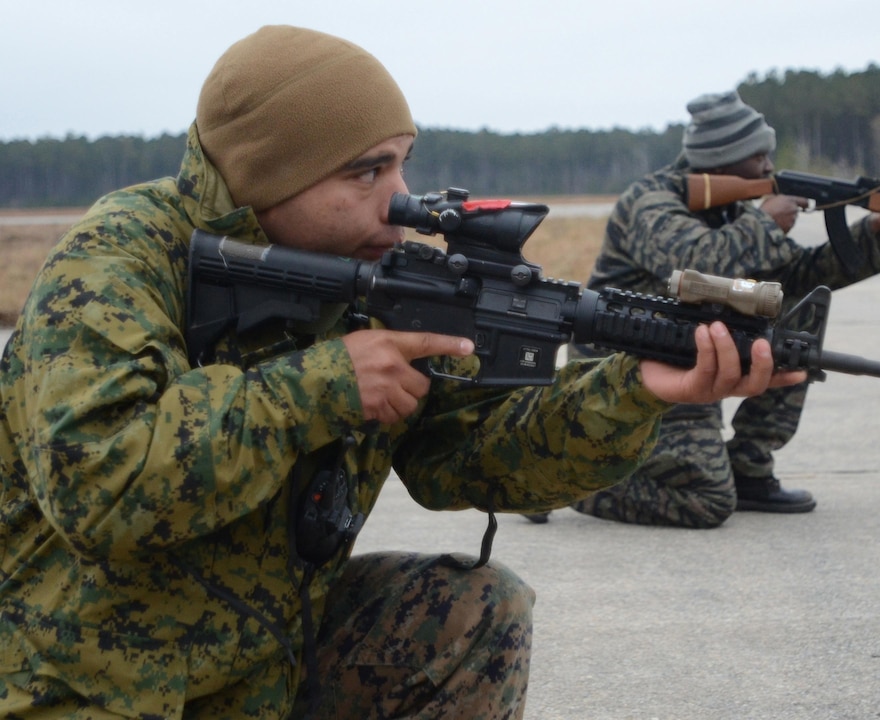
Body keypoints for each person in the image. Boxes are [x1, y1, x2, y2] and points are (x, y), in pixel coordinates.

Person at [0, 27, 801, 719]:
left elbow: (469, 455)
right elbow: (100, 485)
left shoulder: (368, 274)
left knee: (475, 613)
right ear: (275, 172)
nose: (401, 201)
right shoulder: (119, 261)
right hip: (82, 681)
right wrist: (325, 385)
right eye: (367, 172)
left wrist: (631, 393)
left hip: (262, 664)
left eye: (404, 166)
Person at [532, 89, 880, 529]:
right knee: (707, 500)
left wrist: (871, 229)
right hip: (626, 376)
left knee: (795, 341)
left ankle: (749, 467)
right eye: (759, 155)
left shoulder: (731, 210)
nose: (768, 166)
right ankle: (579, 484)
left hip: (693, 361)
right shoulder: (649, 202)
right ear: (722, 163)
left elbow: (792, 278)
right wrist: (764, 222)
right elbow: (694, 265)